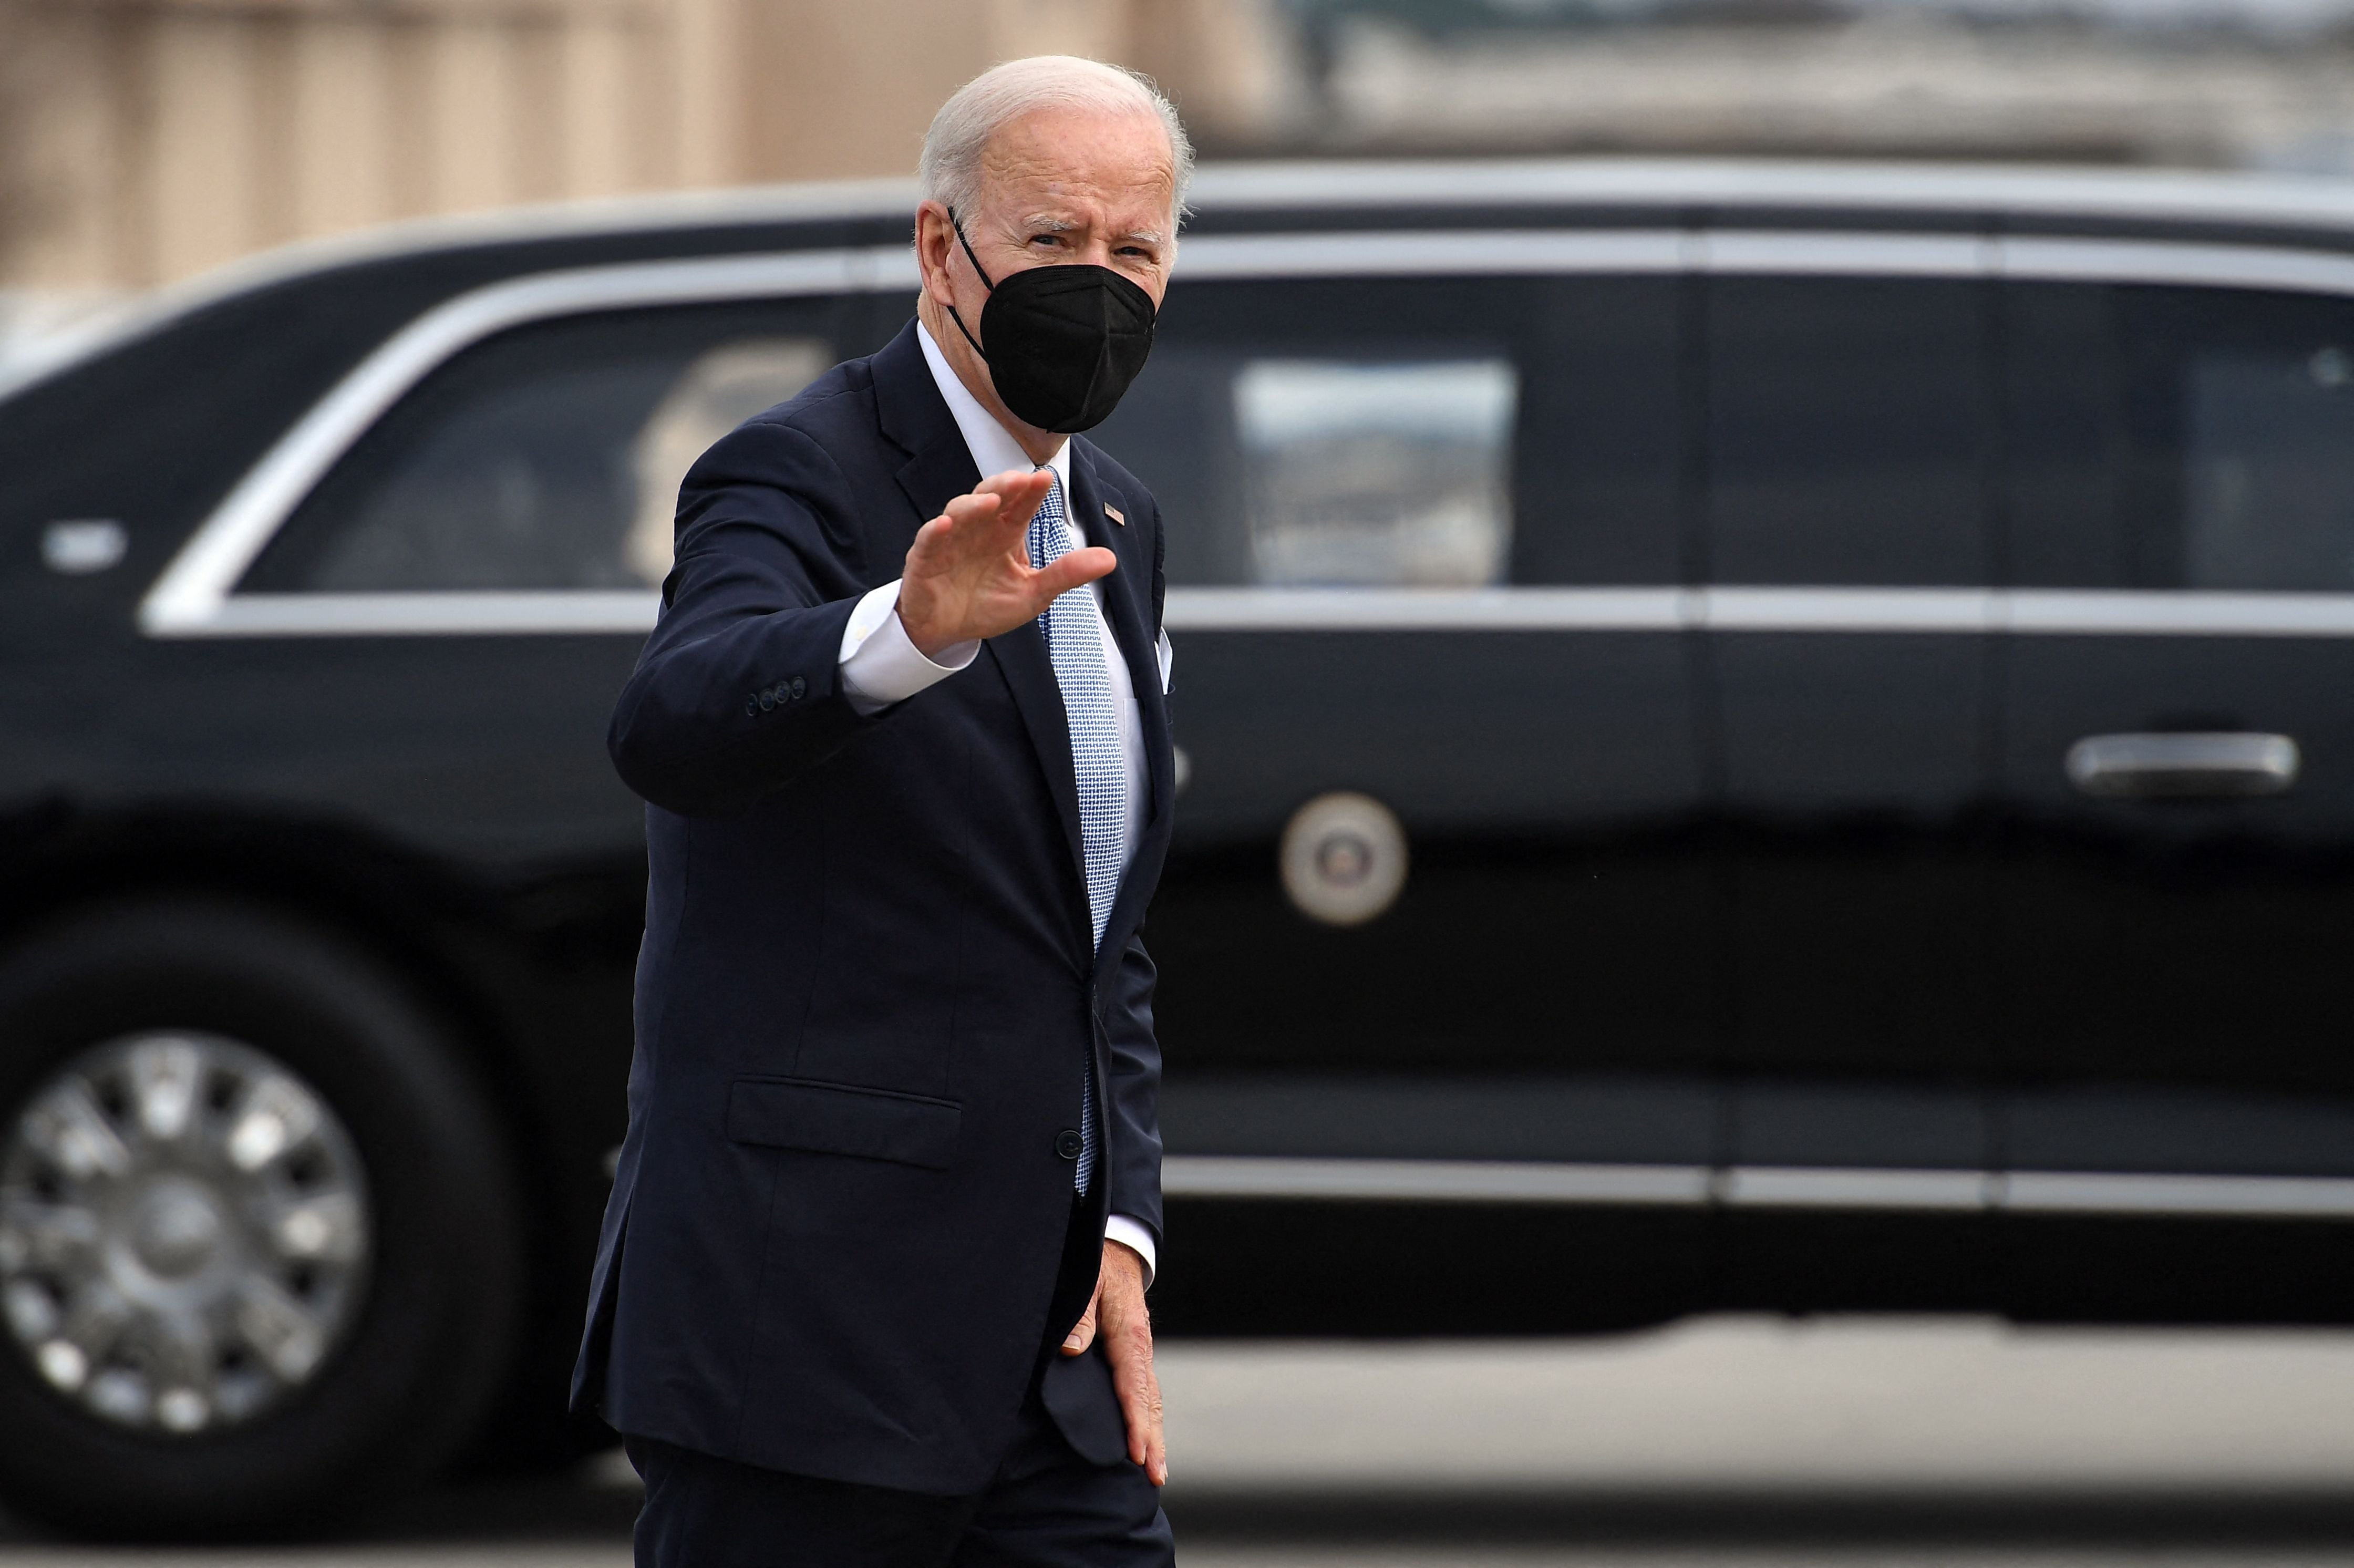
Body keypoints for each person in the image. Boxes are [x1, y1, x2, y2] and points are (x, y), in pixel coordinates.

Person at [570, 54, 1188, 1568]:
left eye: (1135, 252)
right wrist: (902, 633)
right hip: (805, 1341)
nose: (1096, 284)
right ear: (940, 248)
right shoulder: (798, 468)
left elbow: (1094, 928)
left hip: (1047, 1369)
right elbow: (677, 716)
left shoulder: (1117, 513)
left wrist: (1123, 1225)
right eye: (1053, 243)